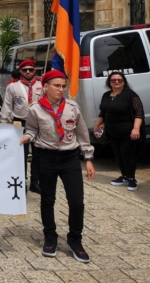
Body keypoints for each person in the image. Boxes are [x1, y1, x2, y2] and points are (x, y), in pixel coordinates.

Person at [20, 70, 95, 263]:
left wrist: (88, 158)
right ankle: (50, 236)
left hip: (69, 158)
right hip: (46, 157)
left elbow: (81, 133)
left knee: (77, 201)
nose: (61, 90)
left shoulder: (72, 107)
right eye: (57, 86)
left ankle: (75, 240)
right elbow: (32, 129)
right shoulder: (35, 109)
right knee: (47, 200)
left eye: (64, 86)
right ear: (45, 87)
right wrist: (28, 136)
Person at [93, 71, 145, 191]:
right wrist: (97, 125)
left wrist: (136, 129)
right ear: (109, 82)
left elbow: (139, 113)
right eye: (113, 80)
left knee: (128, 155)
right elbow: (103, 113)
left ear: (124, 82)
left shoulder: (131, 94)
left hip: (128, 132)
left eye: (119, 80)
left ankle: (132, 179)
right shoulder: (106, 95)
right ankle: (124, 176)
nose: (116, 82)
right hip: (112, 132)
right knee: (118, 155)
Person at [0, 59, 43, 193]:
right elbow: (7, 106)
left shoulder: (42, 86)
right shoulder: (13, 87)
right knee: (21, 155)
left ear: (35, 70)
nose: (28, 72)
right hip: (20, 123)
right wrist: (4, 125)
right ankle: (21, 181)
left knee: (38, 154)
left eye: (31, 69)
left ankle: (35, 182)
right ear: (20, 71)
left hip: (39, 124)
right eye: (25, 70)